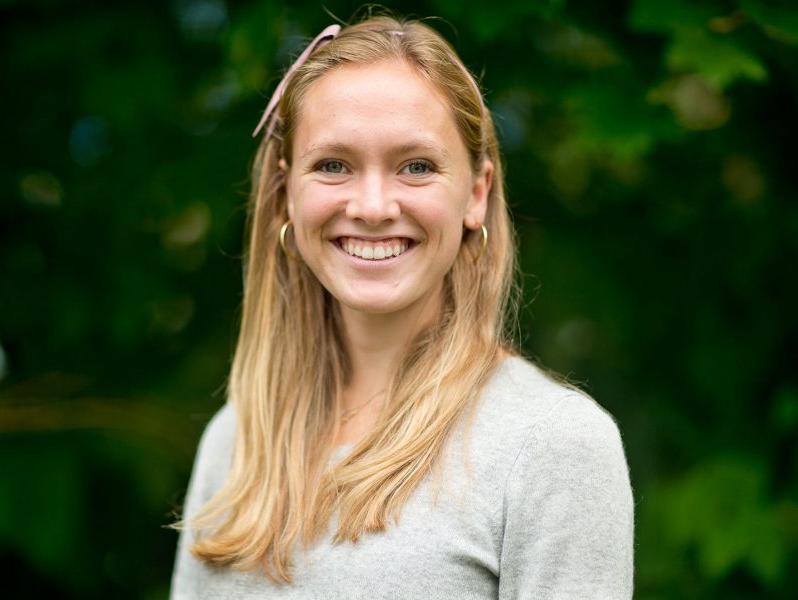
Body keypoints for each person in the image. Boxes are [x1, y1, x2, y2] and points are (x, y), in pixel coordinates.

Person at [171, 13, 633, 599]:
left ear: (476, 192)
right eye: (333, 165)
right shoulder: (237, 440)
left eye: (416, 166)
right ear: (287, 192)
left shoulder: (554, 446)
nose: (371, 206)